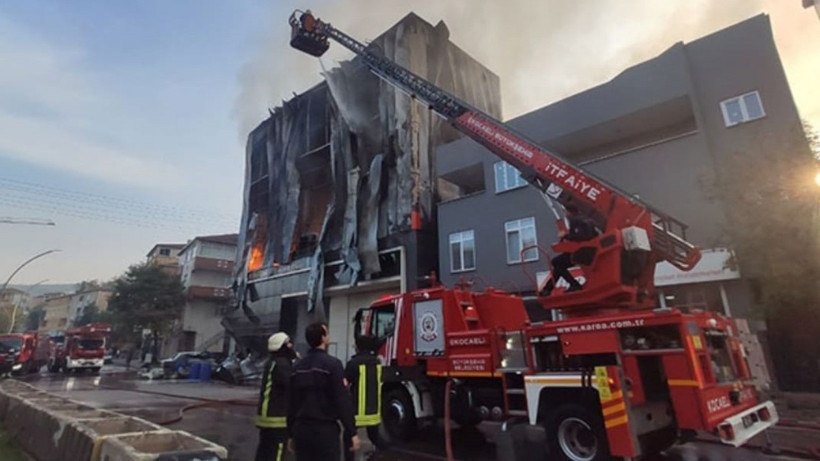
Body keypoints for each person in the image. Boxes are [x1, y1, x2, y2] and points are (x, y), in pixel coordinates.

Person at [287, 322, 359, 461]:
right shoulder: (333, 365)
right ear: (323, 337)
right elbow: (342, 399)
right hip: (325, 431)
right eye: (327, 333)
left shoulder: (297, 367)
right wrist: (351, 431)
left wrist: (291, 433)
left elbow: (292, 402)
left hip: (301, 430)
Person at [255, 332, 297, 461]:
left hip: (266, 416)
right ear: (282, 346)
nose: (291, 345)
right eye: (288, 343)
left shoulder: (272, 362)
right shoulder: (282, 364)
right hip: (277, 417)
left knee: (264, 450)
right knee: (277, 452)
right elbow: (292, 385)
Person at [343, 336, 383, 461]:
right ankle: (379, 455)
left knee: (348, 437)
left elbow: (344, 383)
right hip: (374, 410)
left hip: (357, 411)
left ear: (358, 347)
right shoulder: (377, 362)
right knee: (374, 437)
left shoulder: (353, 363)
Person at [545, 204, 600, 294]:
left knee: (556, 262)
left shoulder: (575, 220)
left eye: (565, 212)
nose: (565, 215)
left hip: (583, 252)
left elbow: (581, 236)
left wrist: (565, 235)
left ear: (569, 212)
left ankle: (574, 285)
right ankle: (547, 289)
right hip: (591, 249)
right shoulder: (587, 220)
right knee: (559, 263)